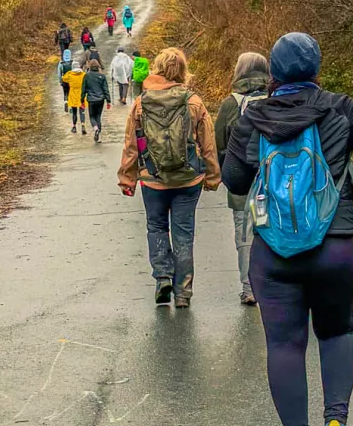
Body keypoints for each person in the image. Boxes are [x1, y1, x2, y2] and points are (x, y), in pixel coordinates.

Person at [221, 31, 353, 426]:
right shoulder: (342, 107)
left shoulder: (254, 116)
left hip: (274, 253)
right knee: (338, 334)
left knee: (285, 345)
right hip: (336, 244)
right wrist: (347, 183)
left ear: (274, 73)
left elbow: (236, 182)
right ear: (317, 68)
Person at [118, 48, 220, 307]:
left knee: (156, 227)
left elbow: (132, 144)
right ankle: (183, 292)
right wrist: (213, 176)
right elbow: (208, 143)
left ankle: (163, 278)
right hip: (188, 180)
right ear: (183, 71)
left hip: (152, 179)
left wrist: (127, 178)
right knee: (184, 233)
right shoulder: (193, 101)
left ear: (158, 68)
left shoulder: (142, 103)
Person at [214, 50, 270, 305]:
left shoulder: (230, 104)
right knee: (274, 231)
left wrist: (227, 175)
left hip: (241, 185)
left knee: (245, 237)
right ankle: (275, 283)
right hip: (275, 181)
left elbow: (219, 145)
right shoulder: (276, 98)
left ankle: (249, 289)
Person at [83, 55, 111, 143]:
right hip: (100, 99)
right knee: (98, 116)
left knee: (92, 116)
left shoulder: (86, 76)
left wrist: (81, 100)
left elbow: (83, 89)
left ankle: (95, 129)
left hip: (91, 99)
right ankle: (99, 137)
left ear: (90, 67)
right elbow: (105, 89)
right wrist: (108, 101)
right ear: (98, 67)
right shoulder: (102, 76)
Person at [65, 57, 88, 135]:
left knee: (74, 112)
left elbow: (64, 79)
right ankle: (83, 125)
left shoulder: (69, 74)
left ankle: (74, 126)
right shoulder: (83, 74)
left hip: (73, 95)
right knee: (82, 112)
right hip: (82, 95)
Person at [59, 44, 73, 109]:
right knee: (70, 91)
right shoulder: (72, 62)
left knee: (65, 91)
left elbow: (59, 73)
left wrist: (60, 81)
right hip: (71, 80)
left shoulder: (61, 63)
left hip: (64, 79)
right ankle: (70, 106)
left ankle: (65, 101)